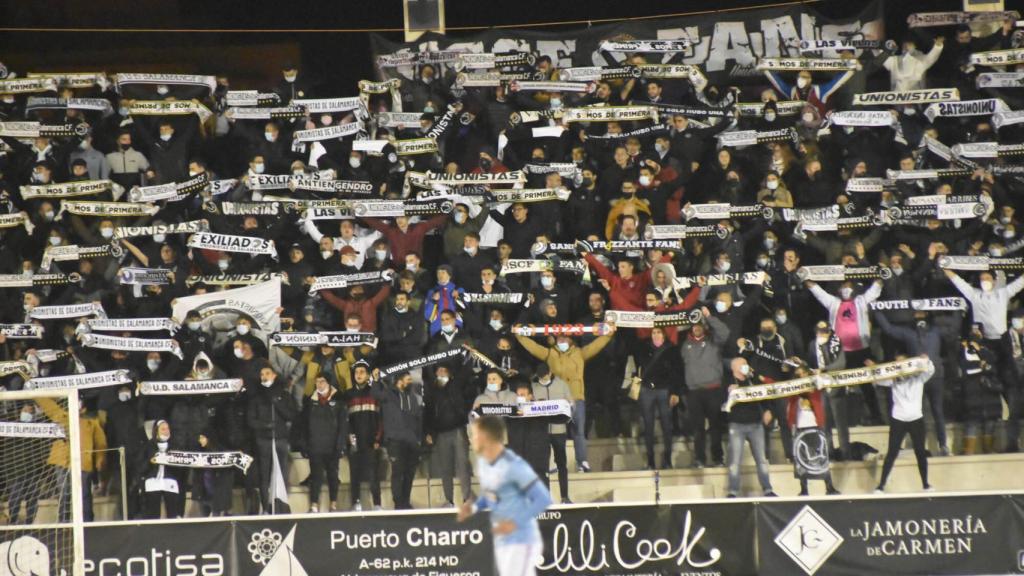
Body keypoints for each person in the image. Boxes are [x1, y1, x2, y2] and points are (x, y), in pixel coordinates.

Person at [458, 416, 553, 576]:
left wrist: (515, 523)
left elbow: (543, 498)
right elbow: (490, 494)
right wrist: (473, 507)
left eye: (475, 435)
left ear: (486, 437)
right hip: (504, 540)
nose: (472, 439)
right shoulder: (483, 464)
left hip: (522, 539)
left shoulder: (514, 465)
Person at [513, 324, 615, 473]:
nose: (562, 341)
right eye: (559, 338)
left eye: (565, 338)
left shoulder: (579, 353)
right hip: (557, 401)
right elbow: (533, 347)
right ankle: (552, 464)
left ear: (571, 340)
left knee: (579, 432)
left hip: (576, 398)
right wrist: (519, 335)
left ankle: (582, 462)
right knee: (554, 432)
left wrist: (608, 335)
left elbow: (596, 345)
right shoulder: (550, 353)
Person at [875, 355, 935, 493]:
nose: (900, 366)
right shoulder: (892, 380)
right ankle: (881, 486)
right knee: (892, 452)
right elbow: (879, 380)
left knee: (920, 452)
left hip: (916, 418)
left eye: (903, 363)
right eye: (897, 363)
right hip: (898, 419)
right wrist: (873, 369)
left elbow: (930, 370)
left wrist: (926, 360)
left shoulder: (919, 378)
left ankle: (925, 484)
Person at [247, 364, 298, 514]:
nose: (264, 377)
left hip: (281, 439)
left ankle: (281, 506)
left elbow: (291, 415)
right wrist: (265, 425)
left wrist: (277, 402)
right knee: (264, 475)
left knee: (282, 474)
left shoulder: (284, 394)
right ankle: (266, 508)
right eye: (262, 374)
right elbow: (251, 420)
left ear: (274, 375)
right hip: (263, 441)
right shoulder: (256, 397)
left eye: (267, 373)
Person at [681, 309, 730, 468]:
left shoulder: (714, 341)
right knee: (698, 428)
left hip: (713, 390)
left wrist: (709, 317)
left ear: (704, 326)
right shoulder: (685, 345)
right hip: (694, 392)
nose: (697, 328)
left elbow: (725, 332)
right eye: (694, 326)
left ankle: (718, 458)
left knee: (715, 426)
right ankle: (700, 459)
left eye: (700, 325)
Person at [424, 364, 475, 507]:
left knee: (463, 465)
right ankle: (449, 500)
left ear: (450, 374)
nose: (441, 373)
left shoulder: (456, 385)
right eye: (438, 371)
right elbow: (428, 412)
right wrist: (428, 431)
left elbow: (465, 372)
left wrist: (469, 357)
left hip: (458, 429)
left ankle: (466, 498)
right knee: (446, 468)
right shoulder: (432, 390)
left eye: (444, 370)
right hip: (441, 432)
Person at [725, 357, 776, 498]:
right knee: (735, 461)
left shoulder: (753, 380)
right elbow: (721, 404)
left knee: (762, 460)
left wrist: (768, 410)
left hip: (755, 425)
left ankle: (768, 489)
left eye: (746, 364)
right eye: (742, 364)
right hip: (737, 425)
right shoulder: (727, 382)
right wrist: (728, 393)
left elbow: (765, 396)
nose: (746, 366)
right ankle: (733, 491)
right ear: (734, 367)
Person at [372, 370, 423, 510]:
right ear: (399, 381)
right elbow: (375, 394)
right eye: (408, 379)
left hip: (411, 441)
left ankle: (405, 502)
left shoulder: (412, 397)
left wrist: (418, 438)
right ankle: (398, 502)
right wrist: (375, 380)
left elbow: (418, 418)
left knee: (409, 473)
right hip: (395, 440)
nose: (410, 382)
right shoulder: (388, 394)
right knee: (398, 472)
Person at [635, 326, 683, 470]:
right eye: (653, 332)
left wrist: (675, 392)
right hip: (647, 390)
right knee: (648, 427)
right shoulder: (643, 348)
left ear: (663, 335)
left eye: (658, 332)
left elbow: (677, 372)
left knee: (667, 426)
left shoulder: (672, 350)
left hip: (664, 390)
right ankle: (650, 461)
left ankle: (667, 460)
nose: (655, 335)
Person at [300, 374, 348, 513]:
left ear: (329, 383)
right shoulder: (310, 401)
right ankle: (314, 505)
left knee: (333, 476)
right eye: (317, 382)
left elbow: (343, 426)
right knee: (316, 476)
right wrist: (304, 444)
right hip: (315, 446)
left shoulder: (338, 401)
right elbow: (303, 425)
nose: (319, 384)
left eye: (322, 381)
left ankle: (333, 504)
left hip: (332, 446)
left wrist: (340, 445)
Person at [530, 364, 574, 503]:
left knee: (561, 464)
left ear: (550, 373)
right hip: (541, 431)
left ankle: (565, 496)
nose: (542, 379)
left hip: (559, 430)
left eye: (544, 376)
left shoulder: (561, 385)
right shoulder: (533, 386)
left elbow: (571, 404)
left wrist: (567, 411)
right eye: (540, 377)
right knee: (542, 466)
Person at [344, 360, 383, 511]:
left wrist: (378, 439)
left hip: (371, 441)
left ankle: (377, 504)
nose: (358, 375)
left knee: (373, 474)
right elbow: (345, 420)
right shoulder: (348, 395)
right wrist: (349, 438)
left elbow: (381, 419)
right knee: (355, 474)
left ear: (367, 375)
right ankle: (356, 503)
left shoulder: (374, 392)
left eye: (362, 372)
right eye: (356, 372)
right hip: (354, 442)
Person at [138, 420, 186, 519]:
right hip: (152, 481)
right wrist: (150, 462)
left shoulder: (175, 445)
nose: (166, 431)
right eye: (163, 429)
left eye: (167, 429)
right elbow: (140, 466)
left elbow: (181, 466)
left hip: (170, 480)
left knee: (173, 513)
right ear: (156, 431)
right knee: (152, 514)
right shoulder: (149, 446)